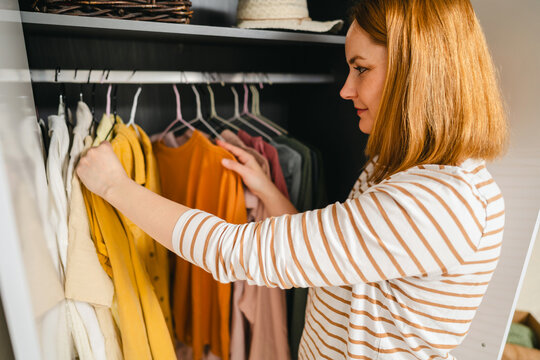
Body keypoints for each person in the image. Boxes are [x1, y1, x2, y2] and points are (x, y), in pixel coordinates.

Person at [77, 0, 508, 358]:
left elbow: (237, 253)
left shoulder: (436, 202)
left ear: (419, 73)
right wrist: (268, 191)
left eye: (361, 68)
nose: (345, 89)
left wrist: (117, 186)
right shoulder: (399, 168)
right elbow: (341, 263)